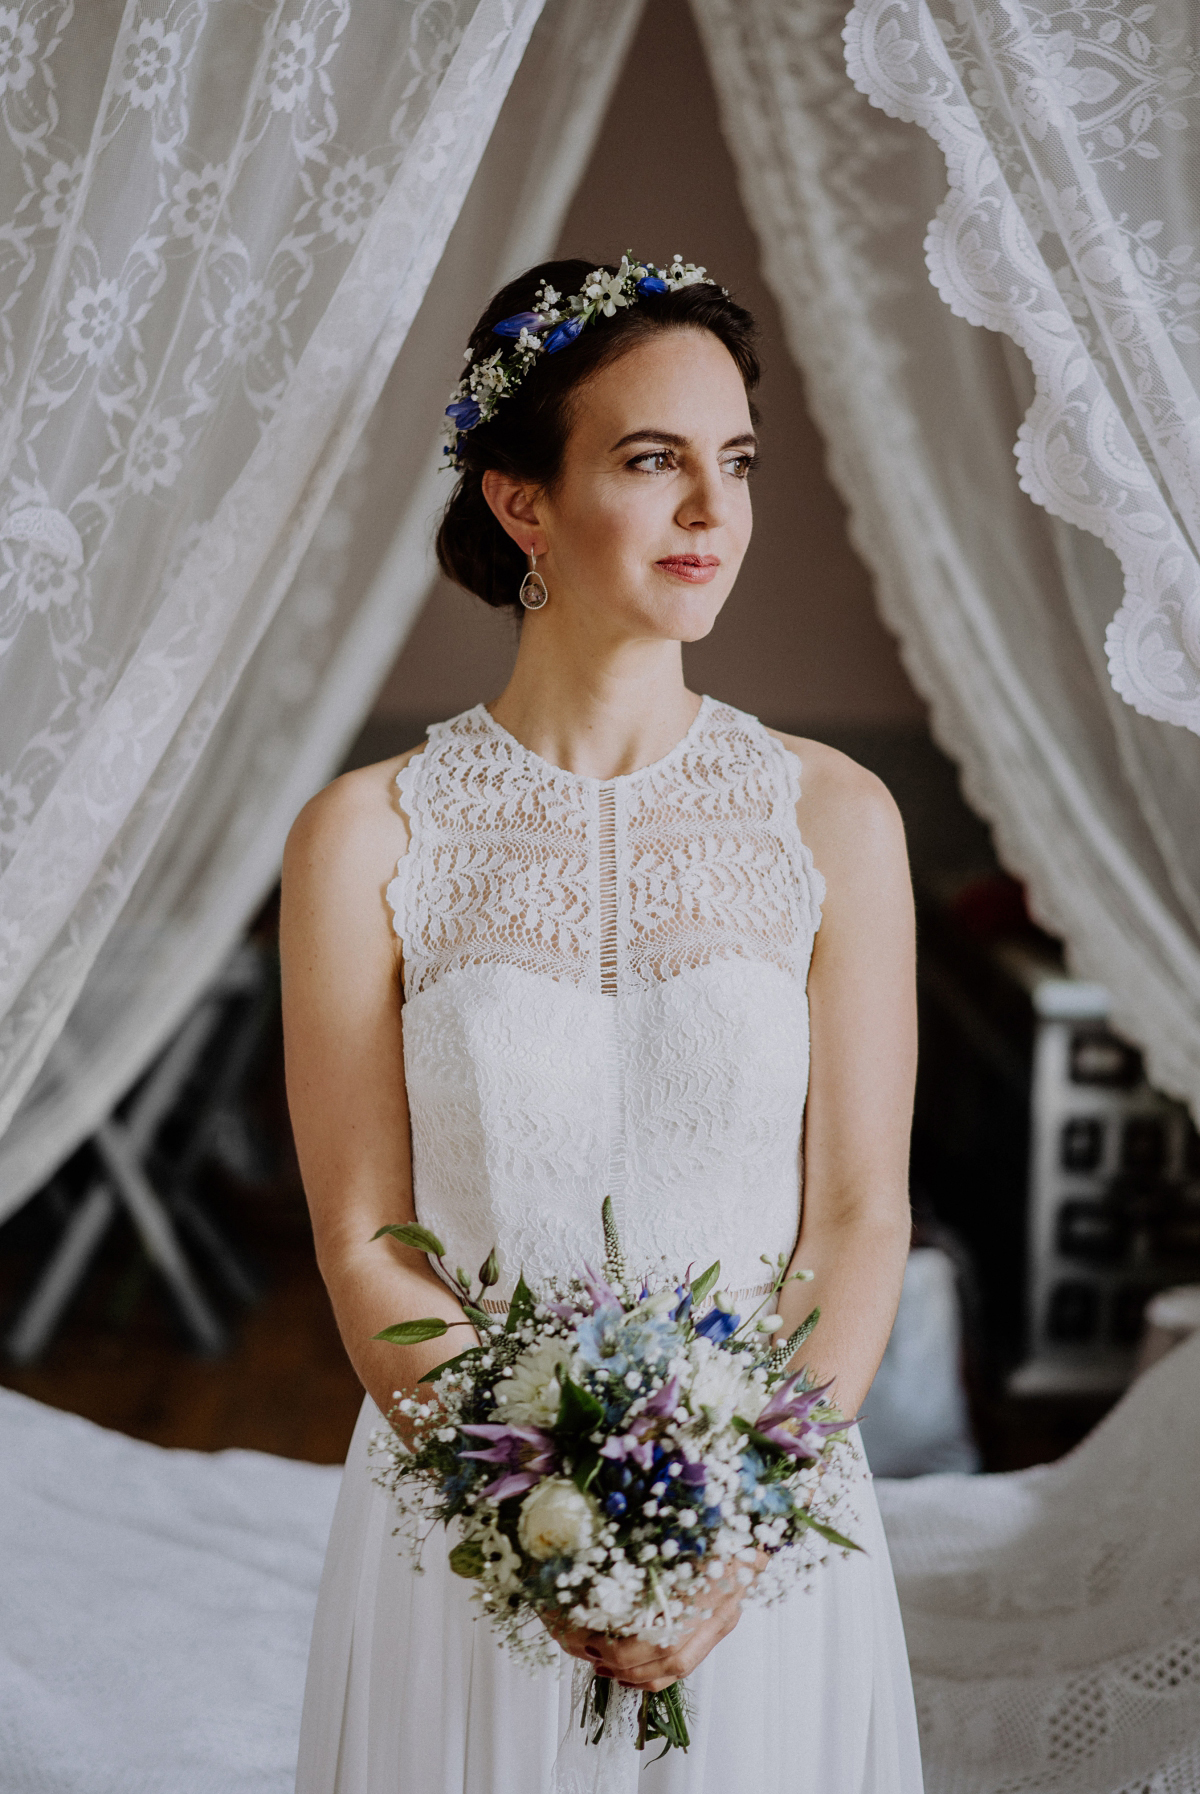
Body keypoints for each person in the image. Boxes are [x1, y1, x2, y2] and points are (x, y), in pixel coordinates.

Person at [283, 255, 924, 1792]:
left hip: (764, 1531)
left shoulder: (835, 817)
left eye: (737, 462)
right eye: (654, 461)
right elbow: (367, 1230)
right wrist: (527, 1515)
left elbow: (856, 1213)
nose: (716, 509)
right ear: (523, 503)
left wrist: (735, 1522)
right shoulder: (367, 834)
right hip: (467, 1527)